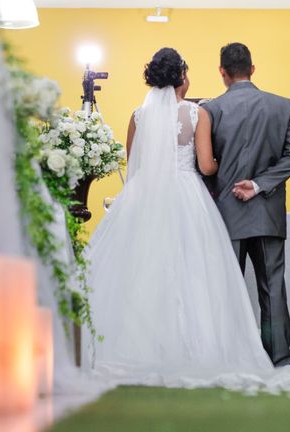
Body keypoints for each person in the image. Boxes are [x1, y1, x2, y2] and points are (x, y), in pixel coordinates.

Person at [84, 48, 274, 377]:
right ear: (182, 77)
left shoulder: (137, 115)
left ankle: (138, 345)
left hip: (144, 195)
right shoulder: (195, 114)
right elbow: (206, 164)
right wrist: (222, 165)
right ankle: (193, 348)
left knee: (143, 269)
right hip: (187, 195)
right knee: (194, 270)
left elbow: (135, 165)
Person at [200, 43, 290, 367]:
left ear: (222, 72)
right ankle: (280, 359)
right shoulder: (282, 106)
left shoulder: (211, 109)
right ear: (252, 69)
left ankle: (230, 356)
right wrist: (259, 185)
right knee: (272, 287)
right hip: (268, 211)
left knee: (226, 289)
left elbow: (203, 164)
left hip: (226, 213)